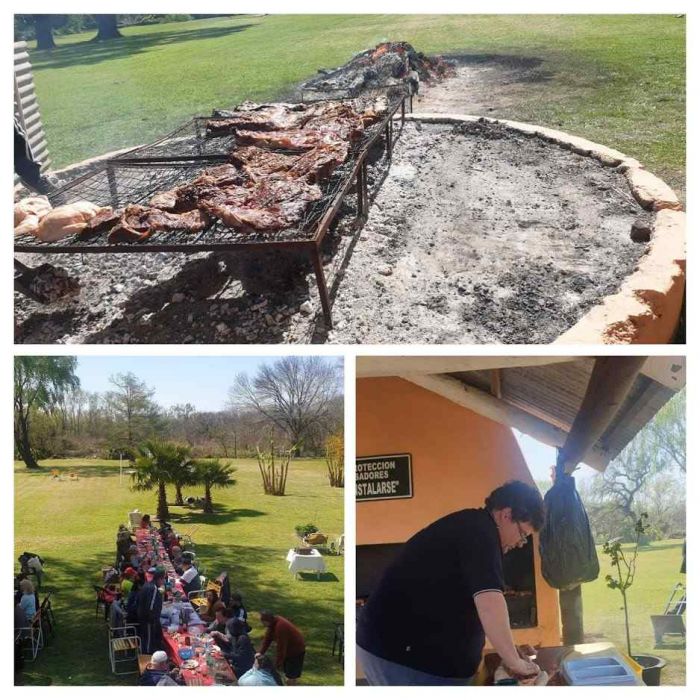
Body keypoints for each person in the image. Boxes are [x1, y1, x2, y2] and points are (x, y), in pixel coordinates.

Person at [356, 480, 545, 685]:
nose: (520, 543)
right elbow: (490, 605)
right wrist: (515, 663)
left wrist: (510, 650)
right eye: (523, 534)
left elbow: (473, 607)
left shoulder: (475, 528)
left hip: (405, 657)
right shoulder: (479, 532)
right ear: (506, 515)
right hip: (404, 660)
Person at [257, 611, 306, 685]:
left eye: (263, 622)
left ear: (267, 621)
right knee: (287, 673)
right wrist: (260, 652)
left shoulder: (280, 627)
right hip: (288, 650)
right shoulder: (273, 623)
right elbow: (267, 638)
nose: (262, 624)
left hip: (296, 651)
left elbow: (281, 648)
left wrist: (278, 664)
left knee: (291, 676)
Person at [137, 569, 164, 654]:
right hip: (148, 619)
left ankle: (146, 650)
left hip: (143, 615)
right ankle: (147, 656)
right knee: (148, 638)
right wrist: (153, 619)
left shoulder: (147, 584)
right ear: (159, 579)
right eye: (163, 579)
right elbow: (151, 606)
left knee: (145, 636)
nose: (163, 582)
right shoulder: (154, 588)